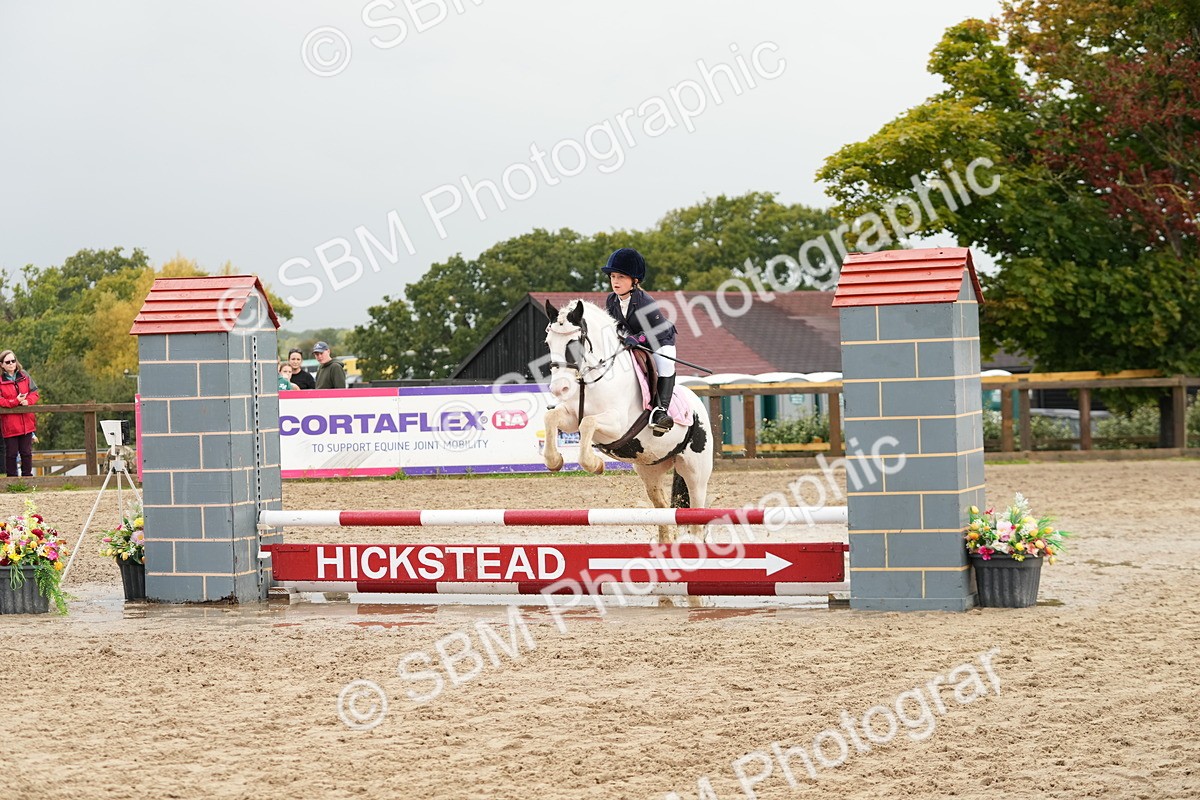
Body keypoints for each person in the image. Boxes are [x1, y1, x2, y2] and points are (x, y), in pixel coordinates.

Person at [602, 248, 678, 435]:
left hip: (660, 339)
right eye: (613, 276)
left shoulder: (645, 302)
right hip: (633, 342)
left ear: (634, 280)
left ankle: (661, 411)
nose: (616, 282)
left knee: (666, 363)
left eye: (621, 277)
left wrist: (637, 338)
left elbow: (655, 331)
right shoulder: (611, 301)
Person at [0, 350, 39, 477]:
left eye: (13, 360)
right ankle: (12, 481)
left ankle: (27, 478)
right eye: (8, 362)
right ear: (2, 365)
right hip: (10, 424)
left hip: (27, 421)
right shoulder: (0, 380)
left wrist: (28, 401)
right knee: (11, 453)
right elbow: (1, 400)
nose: (11, 364)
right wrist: (14, 401)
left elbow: (35, 392)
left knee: (26, 453)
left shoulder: (24, 375)